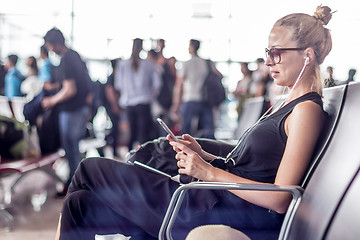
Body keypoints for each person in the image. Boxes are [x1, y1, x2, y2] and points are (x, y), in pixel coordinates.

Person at [56, 5, 333, 240]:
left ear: (307, 55)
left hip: (223, 210)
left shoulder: (306, 110)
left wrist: (208, 172)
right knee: (80, 204)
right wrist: (204, 156)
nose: (269, 61)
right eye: (268, 52)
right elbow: (255, 170)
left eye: (277, 52)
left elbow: (281, 197)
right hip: (212, 199)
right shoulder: (288, 105)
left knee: (89, 168)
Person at [41, 27, 91, 194]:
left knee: (71, 148)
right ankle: (76, 182)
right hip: (79, 108)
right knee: (73, 148)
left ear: (53, 44)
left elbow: (70, 89)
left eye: (48, 45)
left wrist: (51, 101)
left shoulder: (67, 59)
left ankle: (74, 185)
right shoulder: (74, 56)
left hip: (72, 110)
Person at [114, 38, 161, 151]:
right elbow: (157, 85)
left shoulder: (122, 65)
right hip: (144, 103)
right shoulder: (149, 64)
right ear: (142, 48)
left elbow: (118, 86)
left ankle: (129, 159)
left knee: (132, 133)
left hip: (129, 103)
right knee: (143, 135)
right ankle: (142, 160)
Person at [172, 39, 217, 139]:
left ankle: (185, 152)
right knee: (208, 132)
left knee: (186, 132)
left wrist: (176, 105)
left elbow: (179, 85)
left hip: (190, 99)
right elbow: (218, 76)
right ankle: (210, 153)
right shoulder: (207, 63)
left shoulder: (186, 63)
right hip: (205, 100)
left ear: (192, 47)